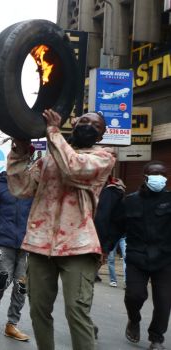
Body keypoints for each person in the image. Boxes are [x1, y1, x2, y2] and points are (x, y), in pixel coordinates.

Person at [8, 109, 115, 350]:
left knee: (76, 311)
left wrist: (53, 131)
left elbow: (73, 169)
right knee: (38, 310)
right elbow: (20, 189)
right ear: (74, 124)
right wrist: (19, 152)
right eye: (84, 121)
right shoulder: (48, 161)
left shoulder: (103, 158)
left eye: (95, 126)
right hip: (39, 244)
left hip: (79, 245)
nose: (88, 126)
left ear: (100, 137)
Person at [108, 161, 171, 350]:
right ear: (145, 177)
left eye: (162, 174)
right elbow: (116, 228)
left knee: (164, 301)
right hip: (137, 257)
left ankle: (156, 338)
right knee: (135, 295)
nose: (158, 177)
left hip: (165, 258)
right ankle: (133, 319)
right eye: (154, 173)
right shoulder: (130, 201)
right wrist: (104, 249)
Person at [0, 171, 33, 341]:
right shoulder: (0, 186)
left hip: (27, 245)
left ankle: (12, 324)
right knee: (2, 278)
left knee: (21, 285)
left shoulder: (33, 186)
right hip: (4, 241)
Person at [93, 176, 127, 288]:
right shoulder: (112, 193)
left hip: (107, 237)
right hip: (106, 237)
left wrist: (105, 246)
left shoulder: (110, 193)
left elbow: (104, 219)